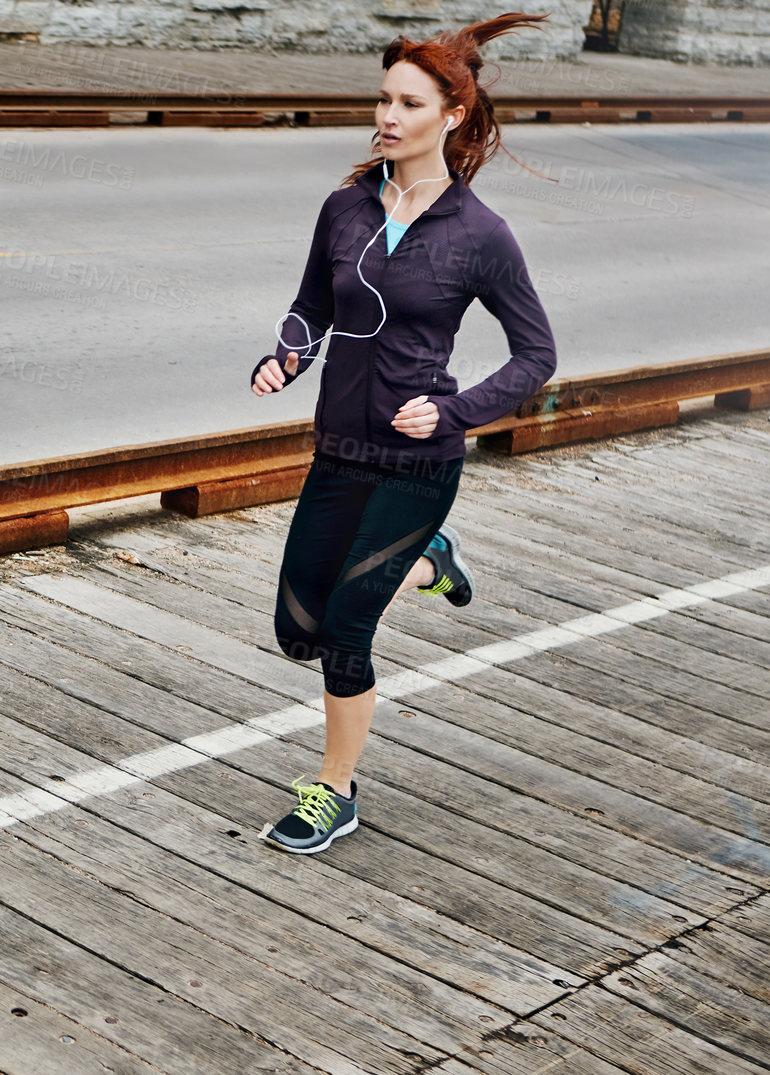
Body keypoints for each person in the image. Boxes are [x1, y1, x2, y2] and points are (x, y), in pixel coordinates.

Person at [250, 12, 559, 854]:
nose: (386, 116)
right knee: (297, 632)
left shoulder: (479, 237)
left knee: (347, 630)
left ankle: (333, 790)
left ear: (450, 117)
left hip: (418, 461)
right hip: (339, 452)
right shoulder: (344, 209)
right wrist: (286, 356)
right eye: (382, 99)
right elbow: (313, 307)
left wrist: (454, 412)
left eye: (407, 103)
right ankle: (431, 558)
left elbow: (536, 354)